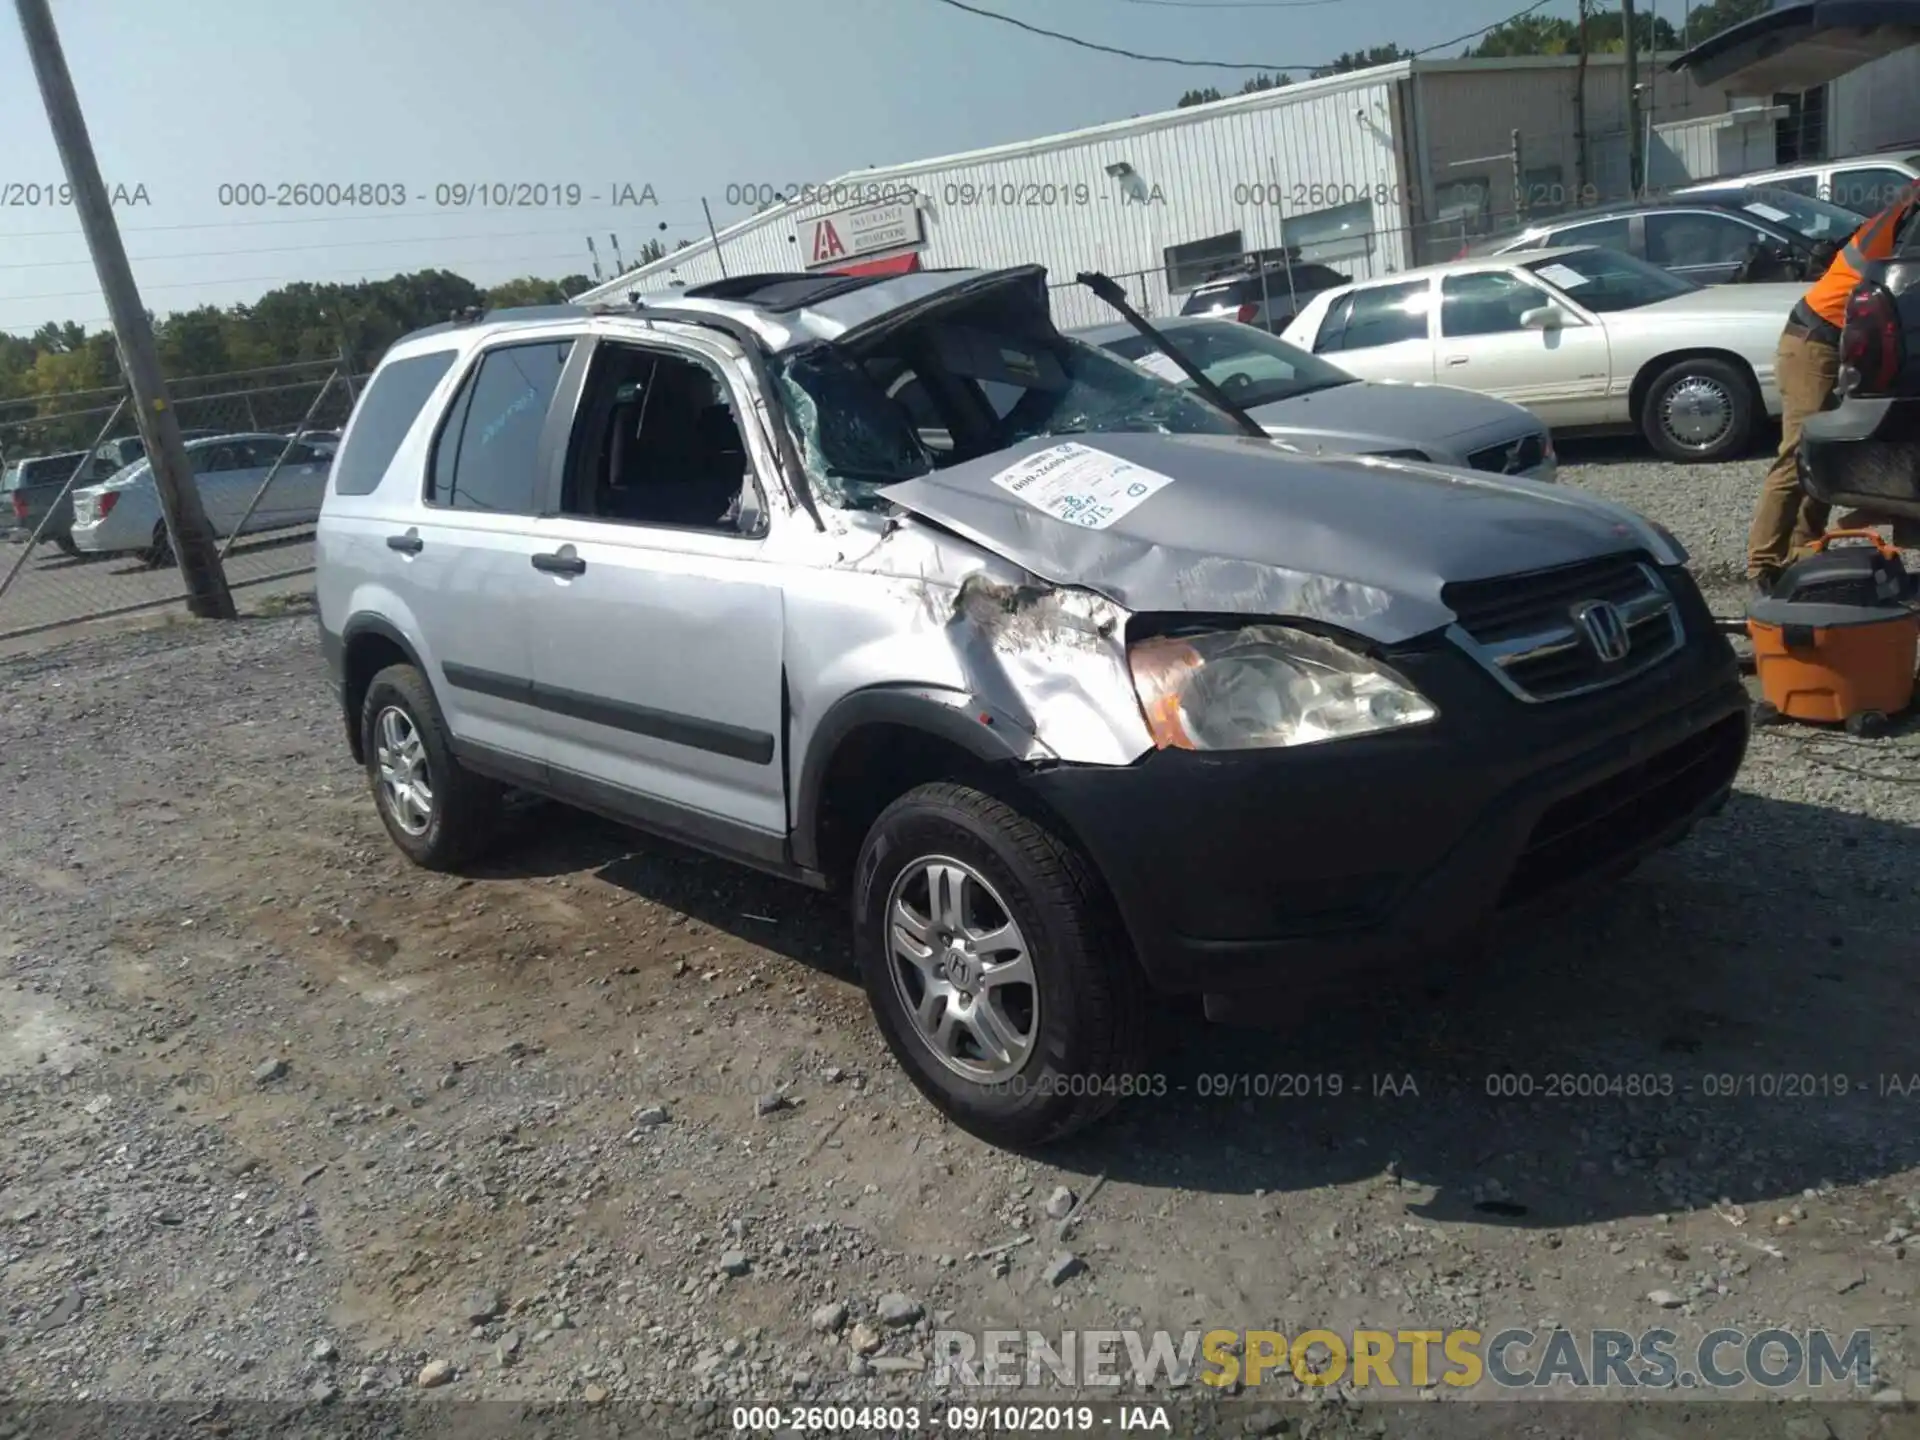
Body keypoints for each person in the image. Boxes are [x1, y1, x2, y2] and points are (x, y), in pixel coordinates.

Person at [1747, 181, 1920, 598]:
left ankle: (1805, 551)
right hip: (1815, 343)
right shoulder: (1909, 222)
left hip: (1837, 343)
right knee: (1797, 454)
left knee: (1825, 454)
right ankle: (1762, 564)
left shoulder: (1904, 212)